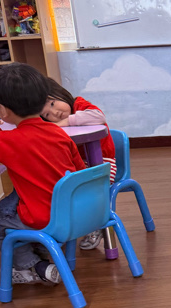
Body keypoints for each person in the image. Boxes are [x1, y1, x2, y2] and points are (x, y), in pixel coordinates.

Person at [0, 64, 85, 285]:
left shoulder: (6, 140)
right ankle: (44, 256)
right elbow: (81, 173)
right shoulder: (59, 133)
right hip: (76, 211)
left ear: (3, 111)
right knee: (13, 203)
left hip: (44, 218)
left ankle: (33, 267)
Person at [41, 78, 116, 251]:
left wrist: (67, 121)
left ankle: (94, 225)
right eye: (47, 115)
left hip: (103, 164)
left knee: (83, 191)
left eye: (52, 104)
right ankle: (69, 226)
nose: (55, 113)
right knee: (59, 187)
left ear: (60, 93)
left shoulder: (79, 104)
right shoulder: (52, 124)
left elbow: (99, 116)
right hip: (77, 166)